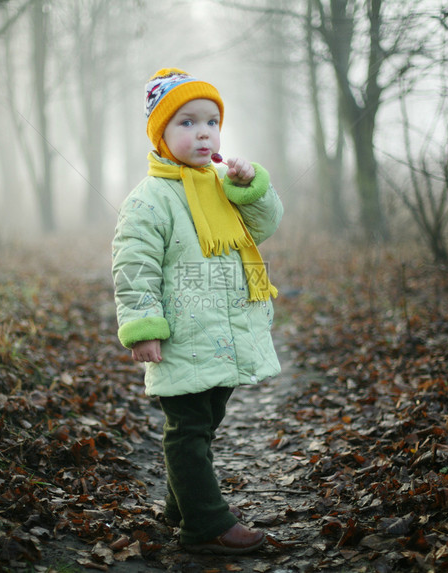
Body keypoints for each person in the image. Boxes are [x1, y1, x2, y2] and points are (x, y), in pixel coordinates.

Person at [111, 68, 283, 555]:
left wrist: (250, 188)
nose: (203, 132)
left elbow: (264, 227)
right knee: (187, 430)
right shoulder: (149, 200)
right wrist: (144, 328)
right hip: (184, 334)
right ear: (161, 135)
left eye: (211, 121)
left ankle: (180, 504)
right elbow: (134, 267)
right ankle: (205, 525)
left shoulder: (220, 183)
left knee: (205, 422)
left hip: (223, 333)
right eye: (186, 122)